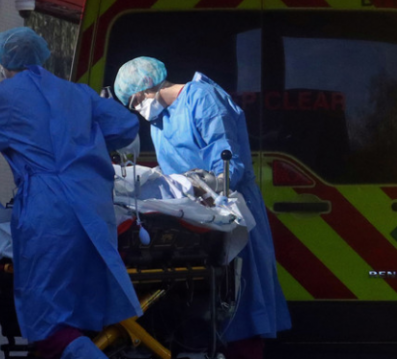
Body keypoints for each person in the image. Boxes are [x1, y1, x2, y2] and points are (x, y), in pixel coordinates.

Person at [0, 27, 142, 359]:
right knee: (82, 304)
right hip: (94, 204)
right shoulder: (77, 92)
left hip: (50, 208)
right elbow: (125, 126)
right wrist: (84, 145)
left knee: (47, 322)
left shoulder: (8, 95)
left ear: (3, 62)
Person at [114, 56, 291, 359]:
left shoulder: (203, 99)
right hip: (194, 219)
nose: (139, 110)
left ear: (148, 84)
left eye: (136, 101)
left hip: (231, 210)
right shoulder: (159, 121)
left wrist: (206, 184)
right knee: (198, 307)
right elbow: (174, 172)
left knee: (239, 301)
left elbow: (228, 167)